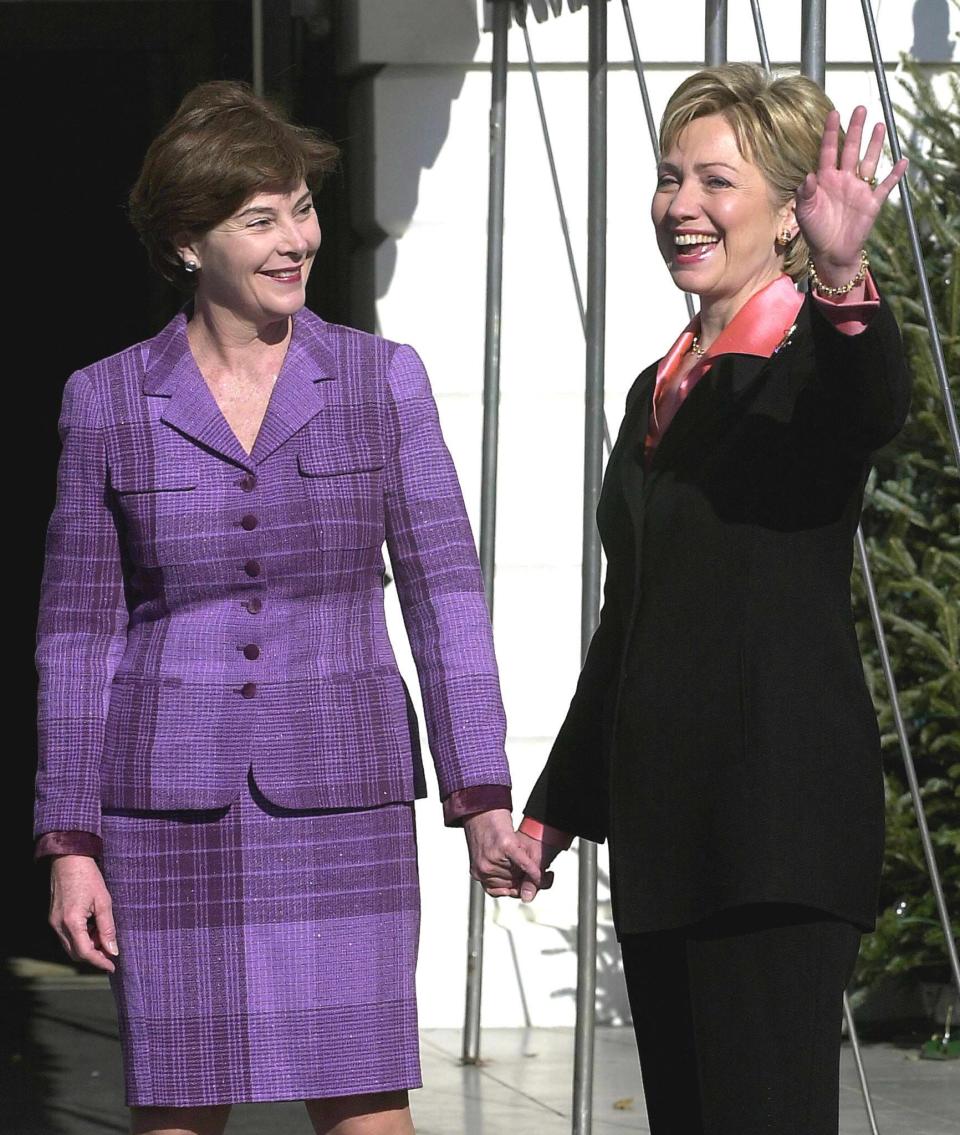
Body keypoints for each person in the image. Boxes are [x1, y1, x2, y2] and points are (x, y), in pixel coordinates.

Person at [35, 81, 538, 1135]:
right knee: (179, 1108)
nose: (295, 238)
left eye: (301, 208)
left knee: (364, 1103)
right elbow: (77, 635)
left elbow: (447, 597)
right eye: (259, 217)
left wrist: (480, 789)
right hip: (165, 803)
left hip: (340, 792)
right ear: (186, 240)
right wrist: (70, 838)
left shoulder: (380, 381)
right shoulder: (109, 400)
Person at [512, 64, 911, 1135]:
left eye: (716, 181)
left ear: (790, 210)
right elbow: (634, 620)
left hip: (772, 835)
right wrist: (554, 810)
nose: (680, 205)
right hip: (669, 835)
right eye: (668, 177)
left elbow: (873, 403)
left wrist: (842, 277)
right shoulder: (663, 383)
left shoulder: (804, 363)